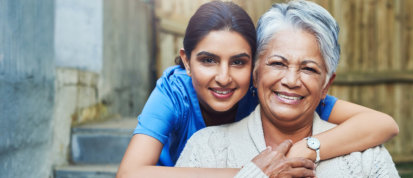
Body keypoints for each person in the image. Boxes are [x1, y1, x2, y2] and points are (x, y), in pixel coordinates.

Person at [117, 1, 398, 177]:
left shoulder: (293, 97)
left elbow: (383, 123)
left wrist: (304, 151)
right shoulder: (179, 102)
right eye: (277, 63)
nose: (224, 77)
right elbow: (129, 173)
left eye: (309, 68)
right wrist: (255, 172)